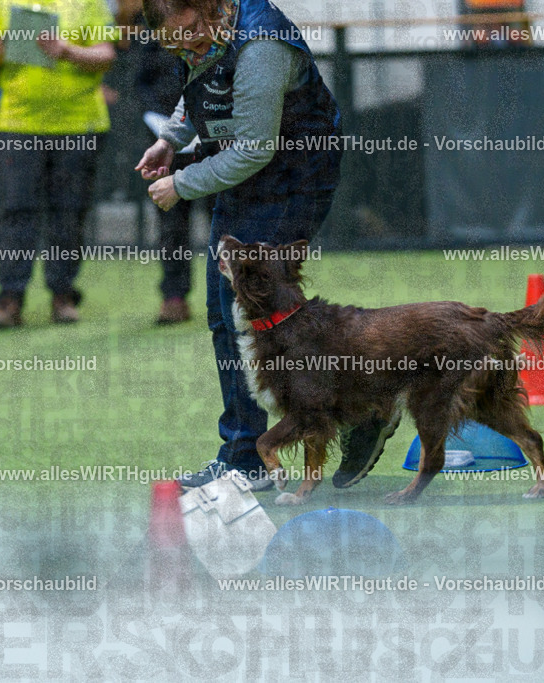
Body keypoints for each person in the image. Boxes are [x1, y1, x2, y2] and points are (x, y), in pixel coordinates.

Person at [136, 0, 398, 491]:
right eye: (172, 40)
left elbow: (256, 147)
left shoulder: (261, 44)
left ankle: (312, 429)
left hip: (293, 181)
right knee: (225, 314)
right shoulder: (201, 32)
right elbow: (203, 87)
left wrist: (183, 183)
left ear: (211, 6)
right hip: (240, 179)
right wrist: (172, 138)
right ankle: (253, 451)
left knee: (271, 322)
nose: (187, 42)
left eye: (192, 29)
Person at [0, 0, 116, 328]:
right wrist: (12, 39)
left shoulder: (90, 3)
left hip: (79, 124)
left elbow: (106, 56)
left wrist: (67, 51)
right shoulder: (4, 3)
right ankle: (10, 299)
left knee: (69, 212)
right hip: (18, 123)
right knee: (16, 210)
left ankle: (63, 295)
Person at [133, 10, 194, 324]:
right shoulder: (152, 21)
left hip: (213, 137)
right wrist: (156, 119)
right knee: (171, 223)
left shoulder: (217, 17)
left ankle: (237, 296)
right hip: (163, 133)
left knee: (227, 220)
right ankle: (174, 296)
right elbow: (140, 80)